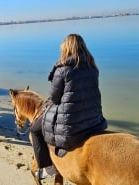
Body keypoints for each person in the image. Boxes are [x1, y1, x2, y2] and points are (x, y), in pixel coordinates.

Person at [30, 33, 107, 180]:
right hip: (94, 118)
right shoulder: (92, 67)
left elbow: (54, 97)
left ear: (66, 49)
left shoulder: (62, 69)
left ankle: (48, 167)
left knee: (34, 129)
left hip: (71, 122)